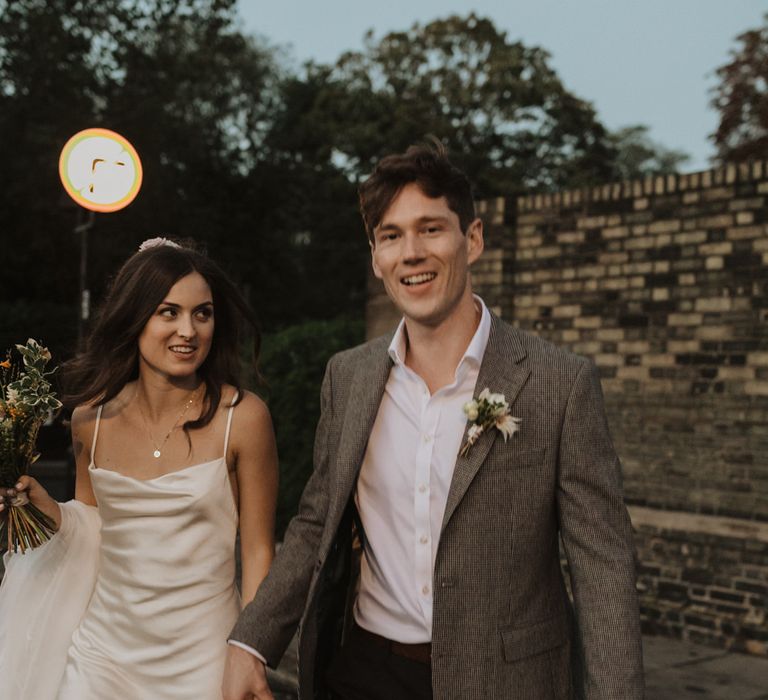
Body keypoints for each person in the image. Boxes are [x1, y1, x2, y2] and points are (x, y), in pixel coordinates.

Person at [223, 142, 644, 699]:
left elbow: (603, 566)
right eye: (391, 236)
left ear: (472, 239)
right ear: (375, 257)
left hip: (506, 683)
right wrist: (250, 642)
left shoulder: (558, 382)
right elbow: (314, 523)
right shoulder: (346, 378)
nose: (411, 252)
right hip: (364, 673)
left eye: (431, 229)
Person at [0, 238, 278, 700]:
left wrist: (249, 652)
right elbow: (92, 526)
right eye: (168, 312)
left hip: (203, 661)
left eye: (202, 313)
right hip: (101, 657)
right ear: (135, 317)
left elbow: (257, 553)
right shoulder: (90, 418)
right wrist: (45, 507)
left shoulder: (243, 418)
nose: (188, 330)